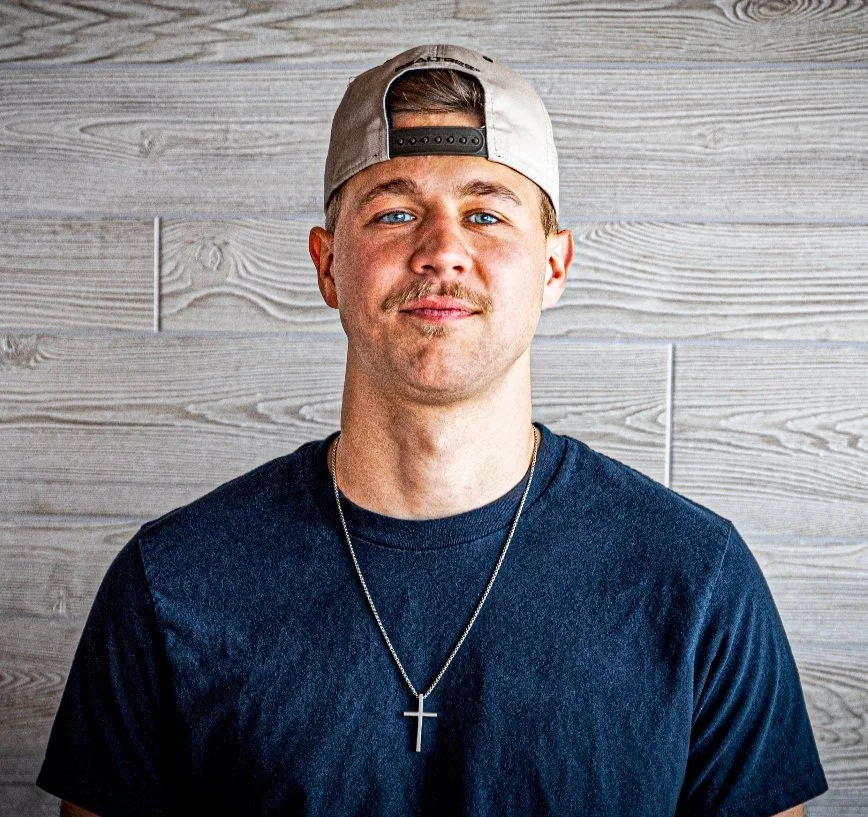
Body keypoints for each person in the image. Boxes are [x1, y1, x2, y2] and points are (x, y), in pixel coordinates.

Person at [37, 44, 828, 817]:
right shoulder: (171, 583)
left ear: (554, 266)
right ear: (327, 265)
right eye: (395, 212)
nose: (442, 250)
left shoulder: (695, 579)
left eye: (485, 213)